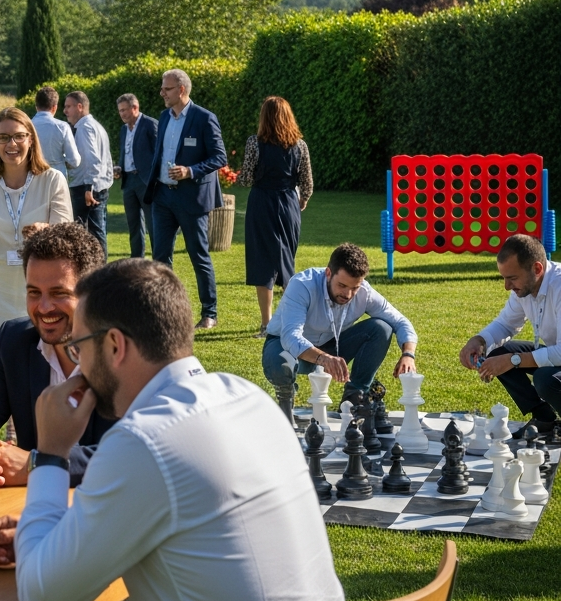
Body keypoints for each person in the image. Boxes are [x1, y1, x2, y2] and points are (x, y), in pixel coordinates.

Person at [0, 259, 347, 601]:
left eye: (79, 347)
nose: (77, 364)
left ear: (114, 345)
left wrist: (50, 454)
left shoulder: (143, 441)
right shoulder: (247, 397)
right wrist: (57, 532)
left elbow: (40, 594)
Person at [0, 222, 114, 486]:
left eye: (58, 293)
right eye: (34, 293)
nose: (44, 307)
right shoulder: (15, 340)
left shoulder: (125, 354)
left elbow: (135, 454)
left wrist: (36, 464)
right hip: (32, 506)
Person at [0, 107, 73, 357]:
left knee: (43, 362)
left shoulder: (52, 180)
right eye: (3, 138)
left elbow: (65, 234)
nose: (12, 144)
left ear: (31, 139)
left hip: (42, 290)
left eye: (19, 136)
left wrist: (45, 232)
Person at [264, 243, 418, 420]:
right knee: (281, 363)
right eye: (342, 285)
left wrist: (408, 354)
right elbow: (291, 336)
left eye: (355, 288)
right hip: (284, 345)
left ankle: (355, 399)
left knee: (381, 328)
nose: (348, 294)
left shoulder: (365, 292)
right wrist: (323, 358)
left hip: (332, 345)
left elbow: (401, 321)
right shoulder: (302, 285)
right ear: (328, 273)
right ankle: (285, 403)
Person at [143, 69, 226, 329]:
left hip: (191, 198)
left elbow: (219, 157)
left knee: (198, 255)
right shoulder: (164, 117)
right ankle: (162, 309)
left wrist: (190, 171)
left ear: (181, 90)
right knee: (160, 256)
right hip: (163, 196)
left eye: (166, 89)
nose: (162, 93)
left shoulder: (204, 118)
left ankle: (209, 313)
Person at [458, 234, 561, 438]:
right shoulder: (526, 287)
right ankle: (544, 419)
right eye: (504, 278)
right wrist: (479, 341)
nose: (507, 286)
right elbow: (505, 324)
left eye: (512, 278)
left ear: (537, 269)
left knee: (544, 378)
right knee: (497, 352)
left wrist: (512, 360)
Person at [239, 96, 314, 337]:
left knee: (263, 262)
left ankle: (266, 323)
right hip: (288, 204)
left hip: (262, 203)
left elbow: (246, 178)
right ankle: (292, 321)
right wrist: (302, 200)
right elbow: (307, 183)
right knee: (286, 262)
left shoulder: (255, 143)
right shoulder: (300, 146)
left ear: (264, 117)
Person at [62, 91, 113, 258]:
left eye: (68, 106)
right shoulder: (96, 126)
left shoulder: (84, 128)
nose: (65, 111)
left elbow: (93, 160)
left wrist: (88, 188)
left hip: (86, 188)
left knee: (89, 234)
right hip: (97, 186)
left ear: (80, 106)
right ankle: (98, 269)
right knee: (96, 232)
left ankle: (98, 270)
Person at [114, 93, 157, 258]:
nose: (122, 114)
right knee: (133, 224)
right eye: (120, 111)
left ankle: (160, 260)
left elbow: (160, 154)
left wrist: (155, 179)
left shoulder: (150, 124)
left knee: (153, 224)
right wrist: (119, 168)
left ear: (135, 108)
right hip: (128, 181)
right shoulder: (124, 129)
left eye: (124, 110)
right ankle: (137, 261)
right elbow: (125, 153)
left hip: (145, 181)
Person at [30, 86, 81, 178]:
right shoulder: (62, 126)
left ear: (36, 107)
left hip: (33, 176)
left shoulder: (26, 126)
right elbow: (74, 160)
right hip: (57, 176)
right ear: (54, 107)